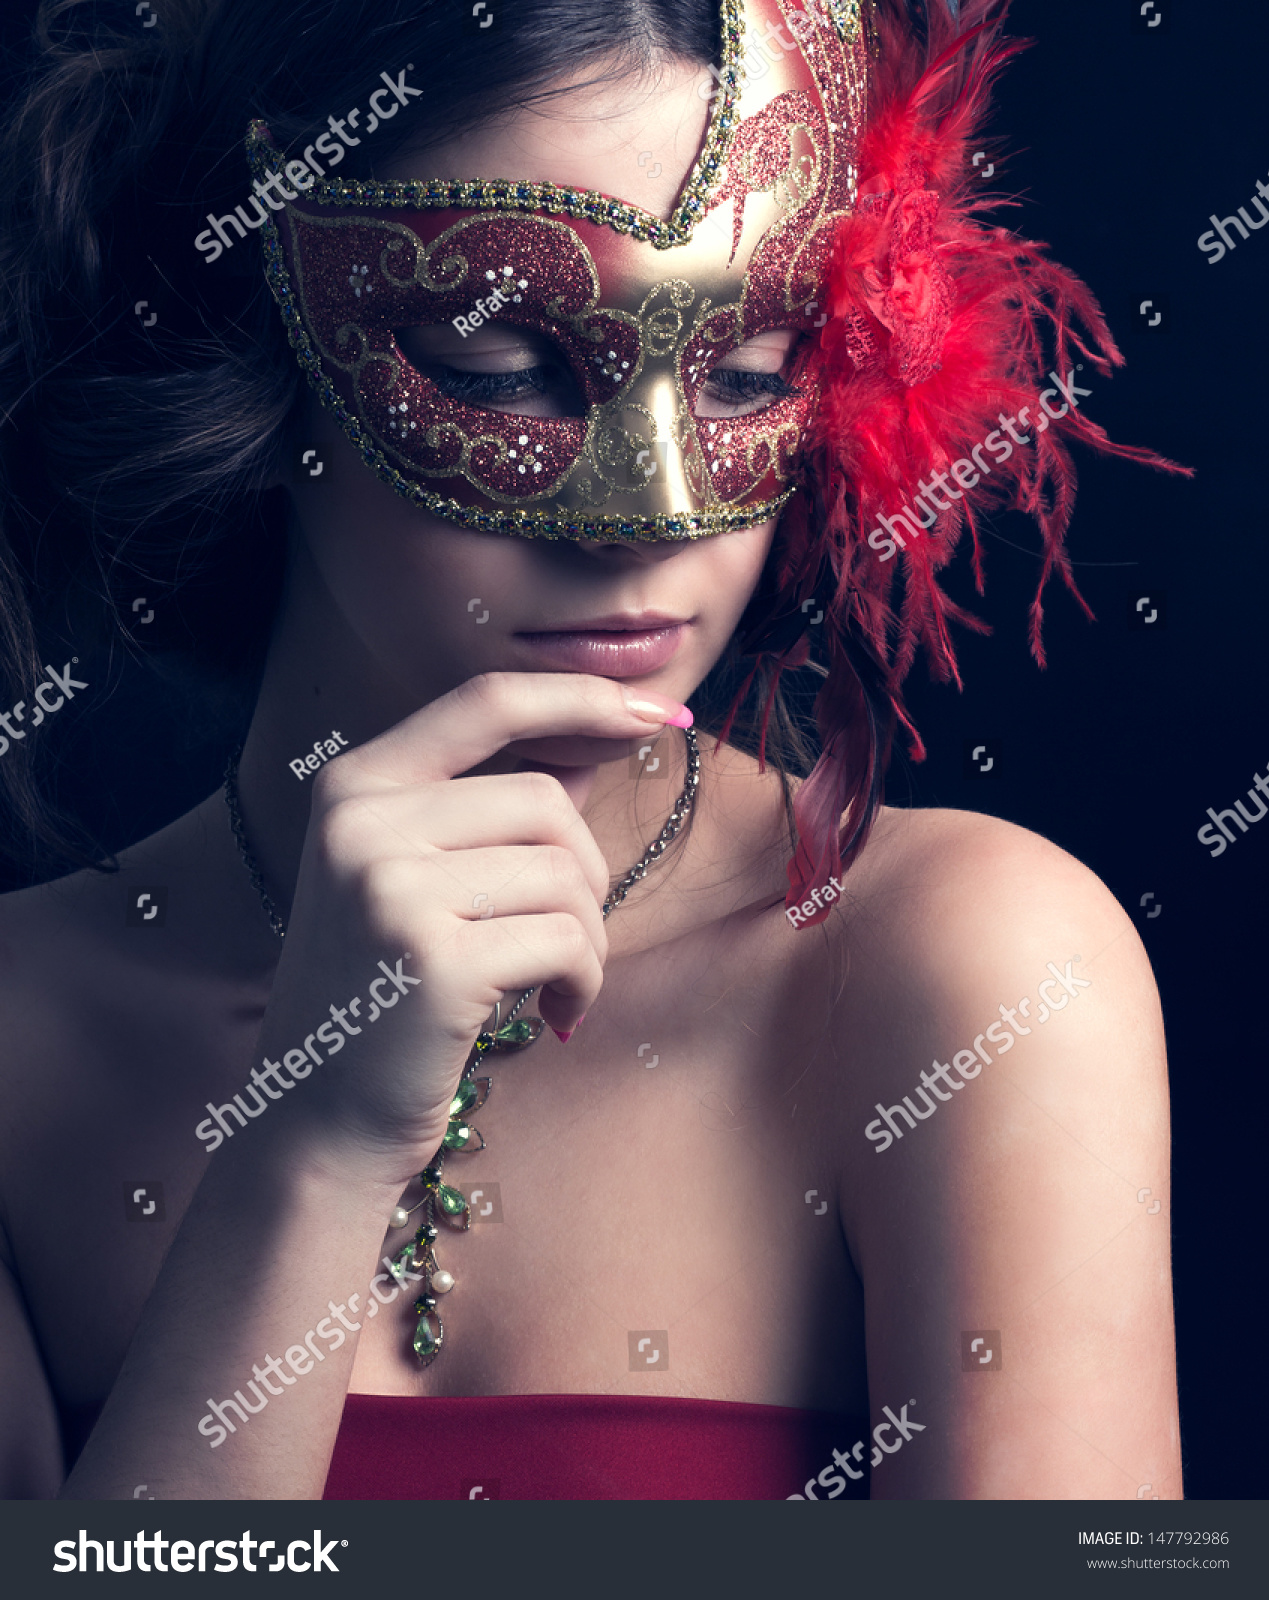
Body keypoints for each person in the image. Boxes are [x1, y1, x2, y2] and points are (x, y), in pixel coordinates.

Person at [0, 0, 1183, 1501]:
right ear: (247, 337)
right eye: (500, 364)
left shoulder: (960, 975)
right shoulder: (22, 1038)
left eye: (750, 366)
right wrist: (308, 1153)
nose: (648, 515)